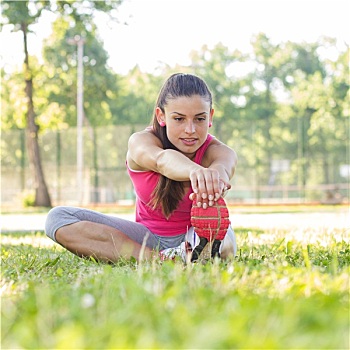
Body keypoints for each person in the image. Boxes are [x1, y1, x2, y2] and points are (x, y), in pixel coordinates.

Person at [45, 73, 238, 263]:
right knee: (57, 218)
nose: (190, 129)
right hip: (146, 240)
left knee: (224, 238)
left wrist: (215, 179)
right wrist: (196, 171)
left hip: (195, 234)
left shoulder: (220, 151)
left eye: (199, 119)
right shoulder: (141, 142)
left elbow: (223, 168)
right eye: (179, 119)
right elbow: (162, 160)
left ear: (210, 116)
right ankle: (163, 259)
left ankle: (194, 252)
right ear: (161, 116)